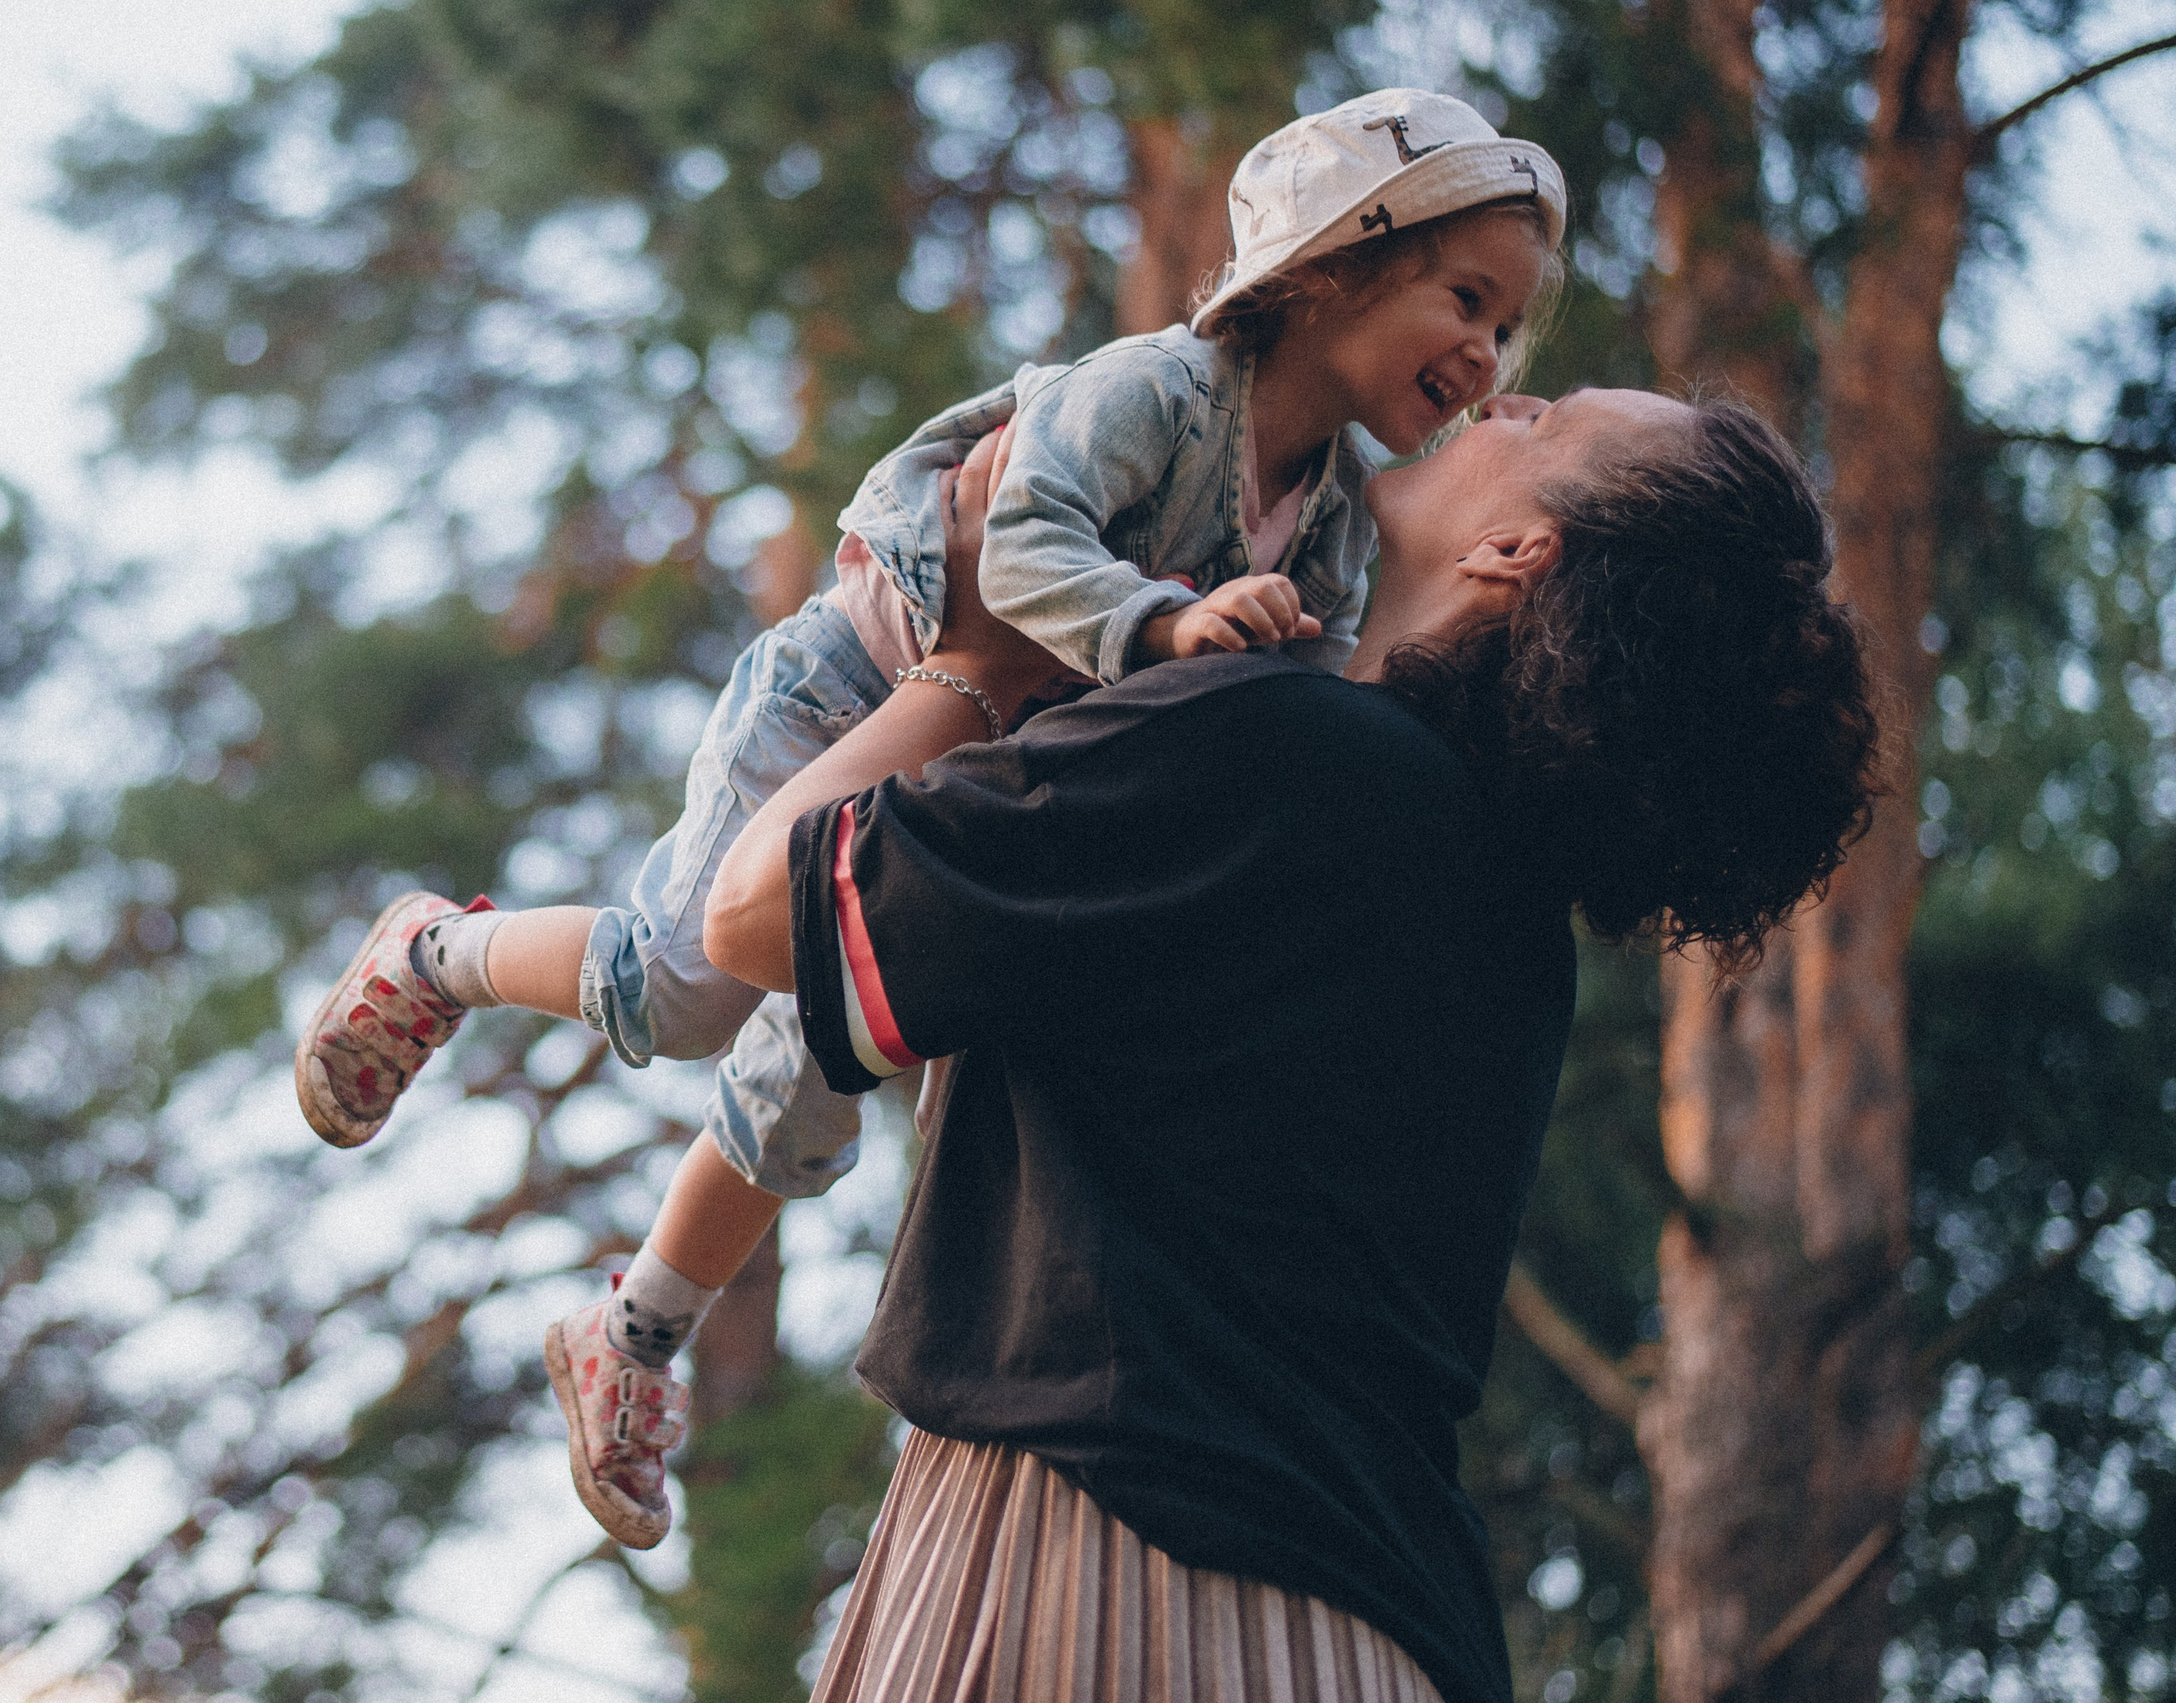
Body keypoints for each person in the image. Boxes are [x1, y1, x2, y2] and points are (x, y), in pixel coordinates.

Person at [290, 88, 1569, 1547]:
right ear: (1338, 261)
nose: (1486, 355)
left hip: (975, 756)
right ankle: (440, 954)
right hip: (859, 681)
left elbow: (1301, 700)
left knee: (816, 1066)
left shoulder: (1335, 516)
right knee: (686, 990)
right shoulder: (1158, 390)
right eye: (1467, 299)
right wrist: (1162, 629)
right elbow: (1019, 546)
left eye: (1510, 329)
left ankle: (635, 1334)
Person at [696, 387, 1879, 1701]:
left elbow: (750, 915)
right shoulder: (1506, 922)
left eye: (1545, 422)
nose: (1500, 391)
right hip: (1382, 1629)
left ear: (1516, 552)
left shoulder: (1268, 745)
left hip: (1104, 1583)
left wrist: (970, 658)